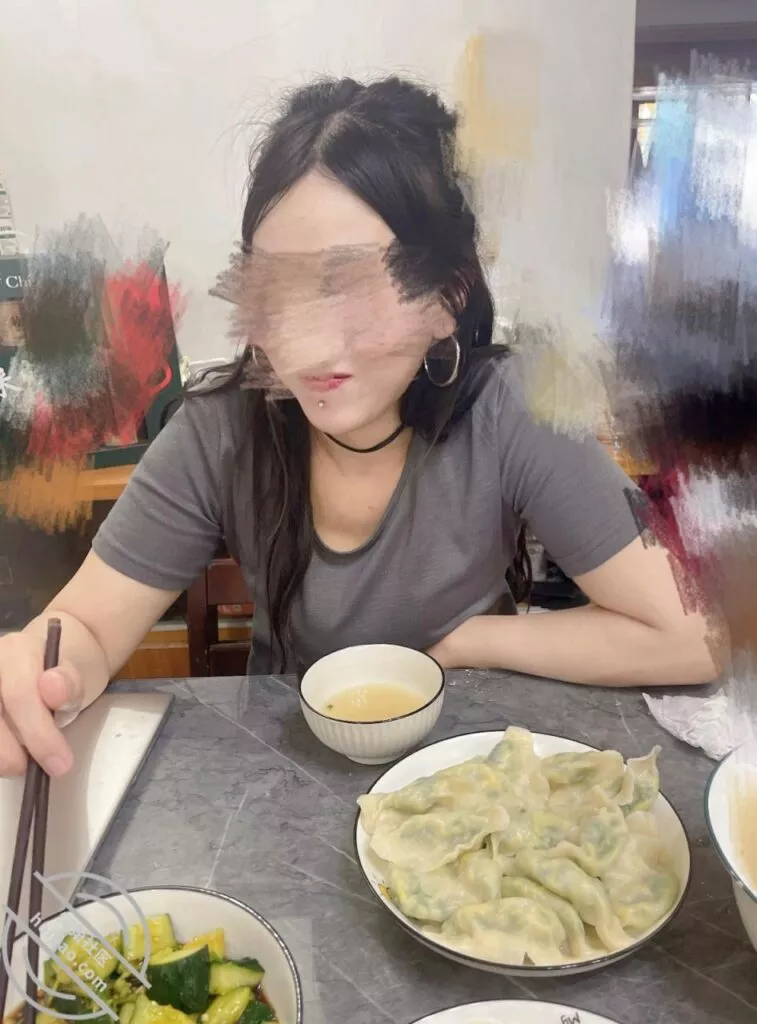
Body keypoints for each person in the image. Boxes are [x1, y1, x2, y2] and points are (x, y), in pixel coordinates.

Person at [0, 76, 718, 780]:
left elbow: (701, 633)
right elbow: (85, 629)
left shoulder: (510, 411)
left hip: (470, 766)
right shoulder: (220, 427)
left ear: (447, 296)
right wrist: (40, 671)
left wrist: (471, 641)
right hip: (285, 776)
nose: (307, 347)